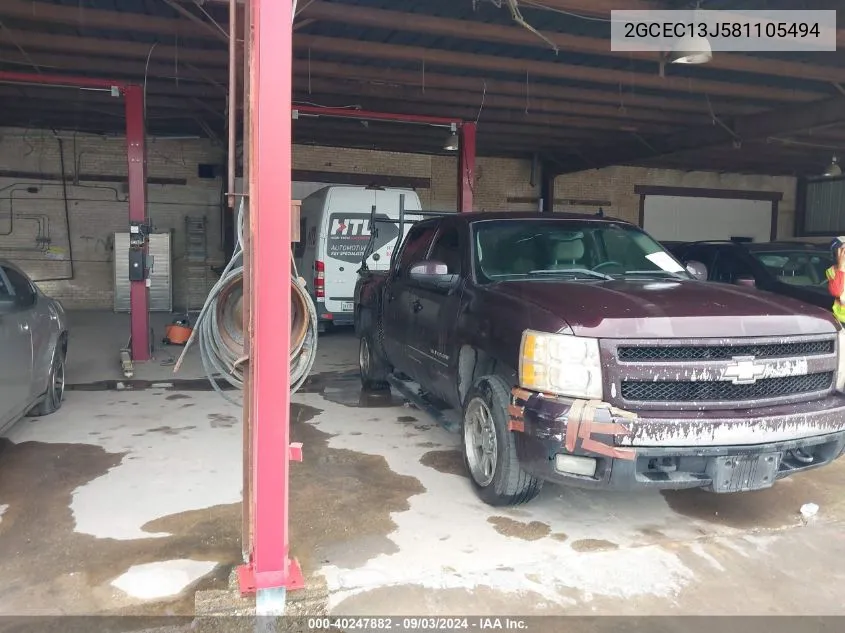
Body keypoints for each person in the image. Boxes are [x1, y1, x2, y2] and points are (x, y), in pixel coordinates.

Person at [825, 236, 845, 323]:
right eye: (842, 251)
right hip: (841, 319)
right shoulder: (832, 271)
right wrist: (841, 267)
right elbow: (836, 291)